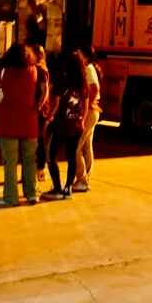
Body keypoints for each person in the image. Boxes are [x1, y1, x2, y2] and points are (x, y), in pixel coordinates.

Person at [0, 43, 47, 206]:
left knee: (10, 161)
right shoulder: (34, 71)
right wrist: (36, 108)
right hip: (29, 121)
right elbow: (44, 91)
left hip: (8, 122)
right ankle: (31, 194)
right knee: (30, 159)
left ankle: (11, 197)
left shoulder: (3, 72)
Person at [42, 52, 89, 200]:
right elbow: (85, 107)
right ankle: (68, 188)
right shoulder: (83, 82)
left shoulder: (61, 81)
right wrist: (81, 120)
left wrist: (47, 121)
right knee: (71, 157)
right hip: (76, 125)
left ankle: (57, 188)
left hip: (60, 126)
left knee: (50, 155)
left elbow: (55, 105)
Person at [73, 45, 103, 193]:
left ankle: (82, 178)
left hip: (89, 112)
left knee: (75, 146)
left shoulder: (87, 68)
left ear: (84, 56)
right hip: (92, 111)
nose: (75, 55)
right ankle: (85, 178)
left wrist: (89, 104)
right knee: (86, 146)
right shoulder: (88, 67)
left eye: (78, 53)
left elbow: (95, 87)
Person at [29, 43, 50, 182]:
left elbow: (45, 91)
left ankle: (40, 170)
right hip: (35, 108)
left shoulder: (40, 70)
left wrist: (38, 107)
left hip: (39, 110)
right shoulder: (37, 68)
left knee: (38, 140)